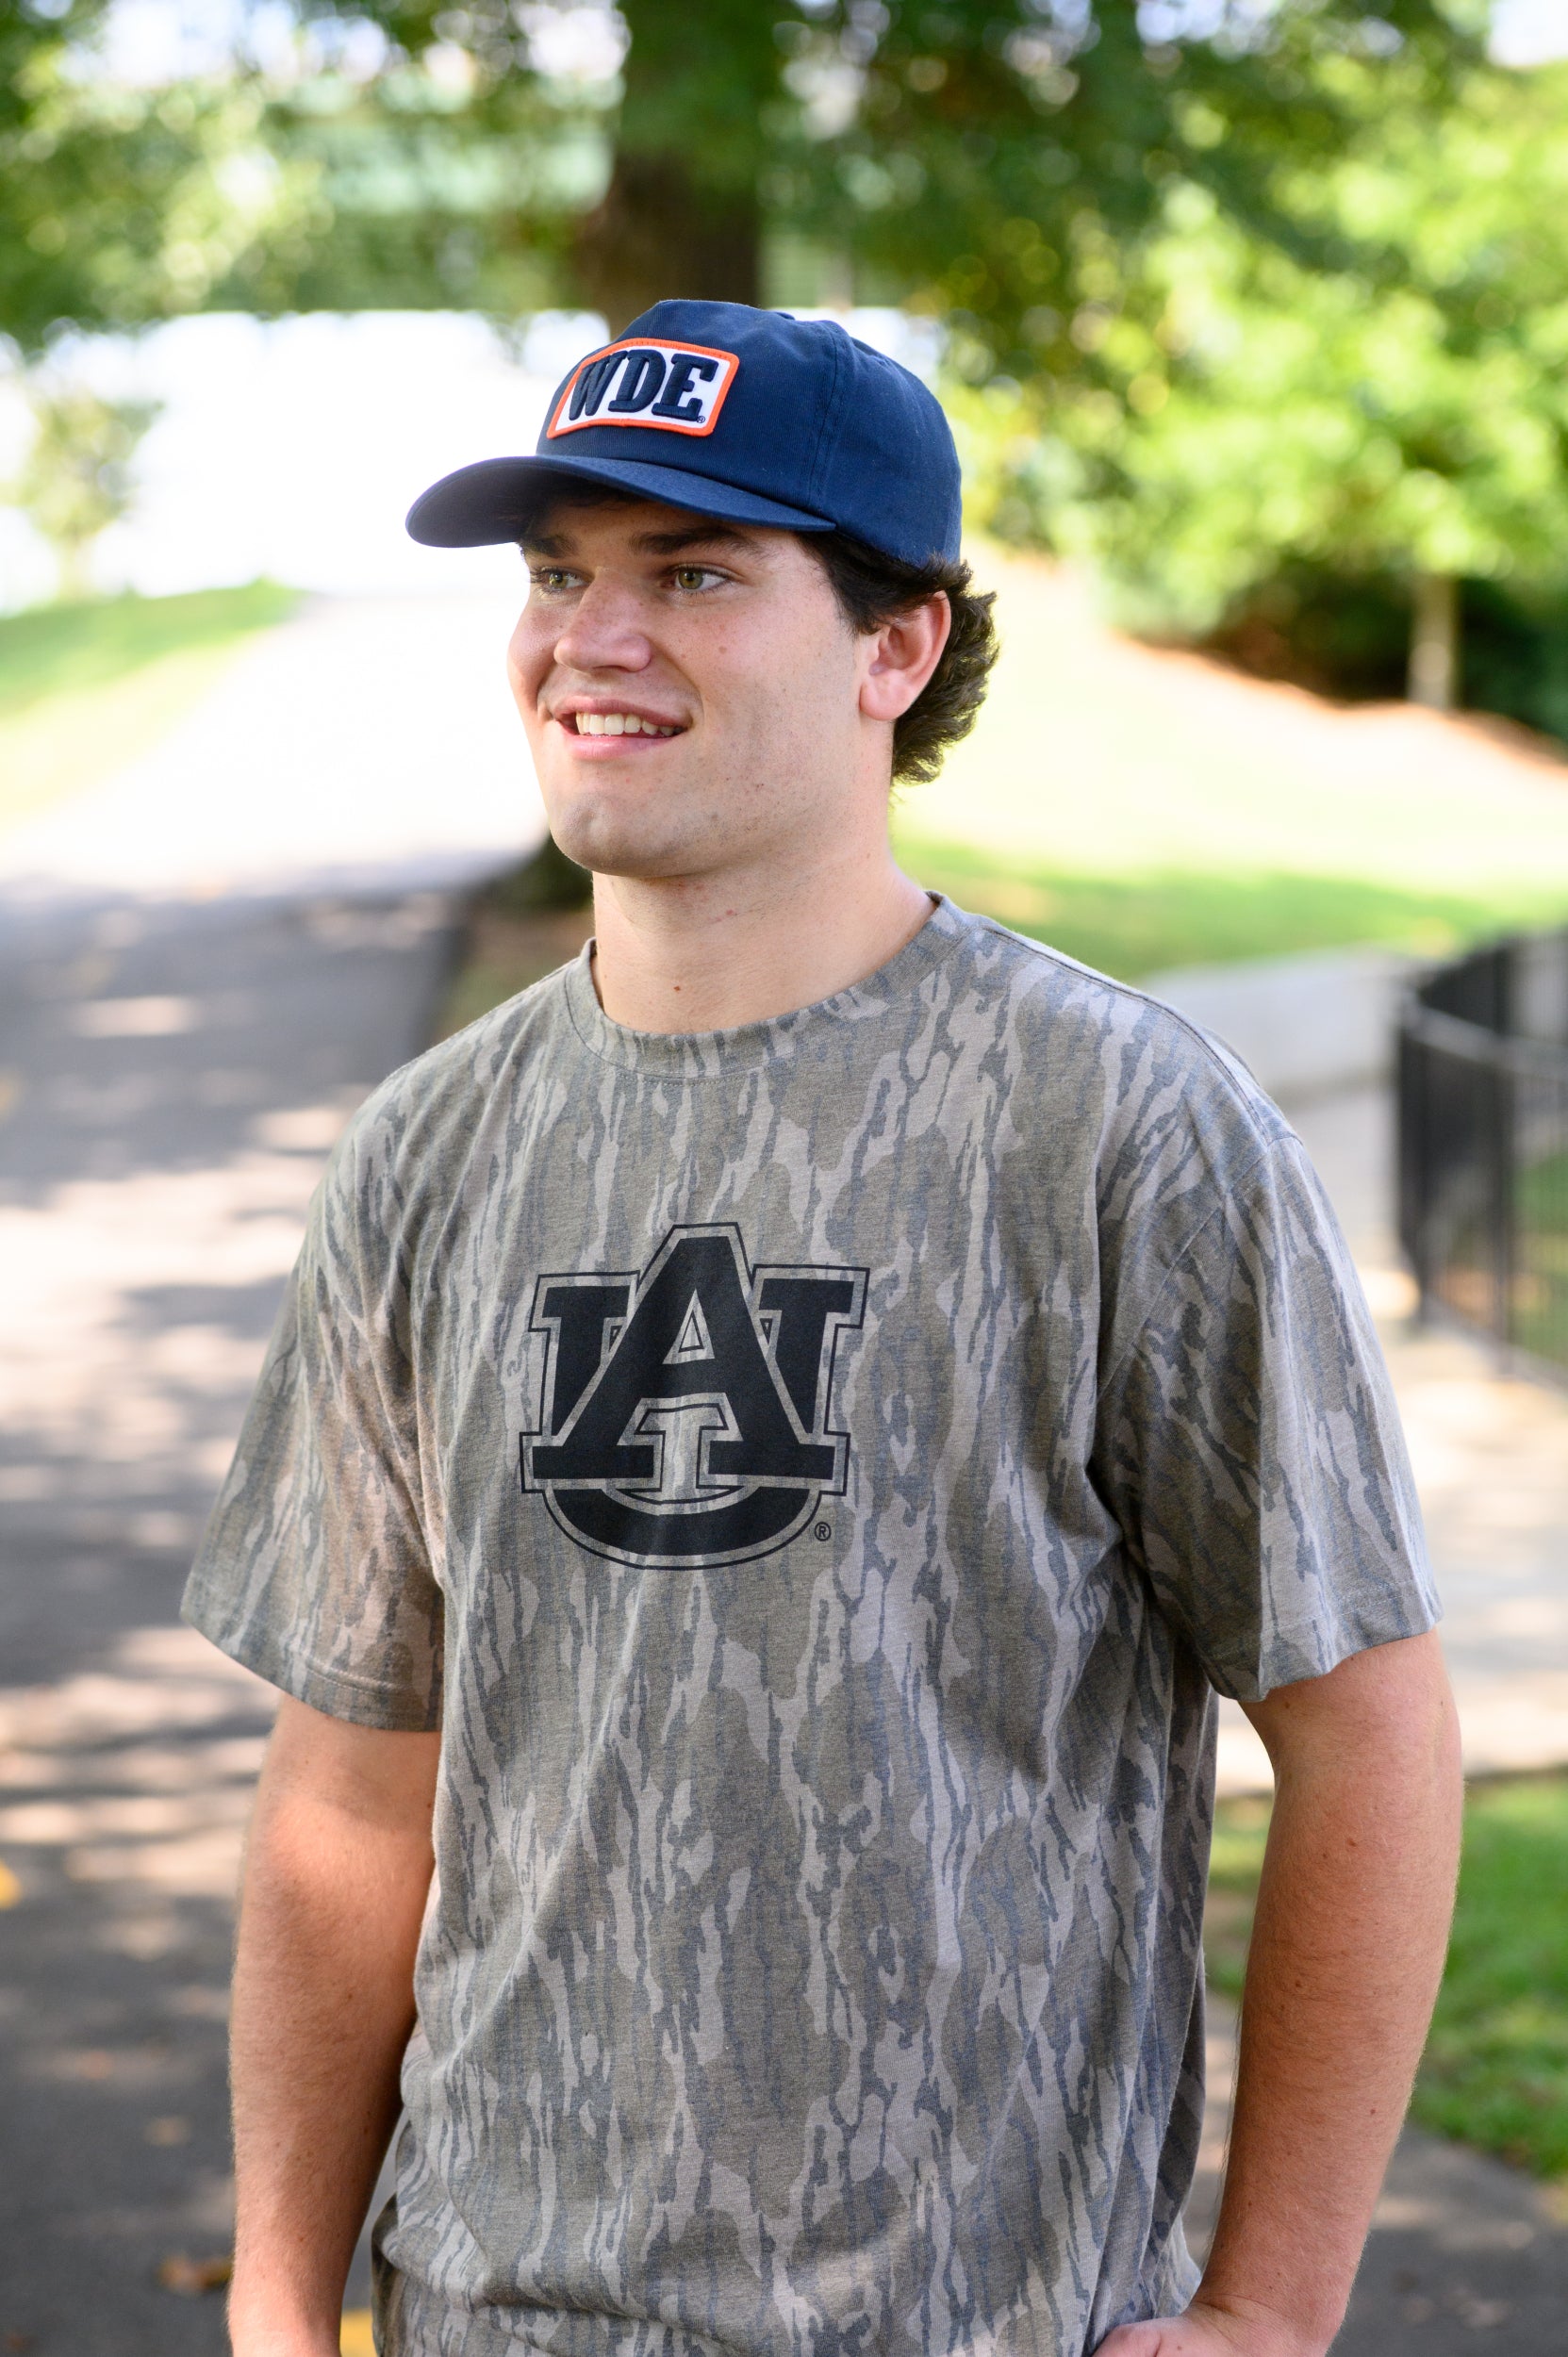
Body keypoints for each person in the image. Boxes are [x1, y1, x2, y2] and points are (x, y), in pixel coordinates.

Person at [186, 300, 1461, 2357]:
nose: (594, 637)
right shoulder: (425, 1155)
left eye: (694, 573)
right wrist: (271, 2304)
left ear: (898, 646)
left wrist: (1268, 2310)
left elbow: (1366, 1724)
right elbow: (352, 1789)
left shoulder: (1118, 1128)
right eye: (558, 573)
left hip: (978, 2312)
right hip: (490, 2309)